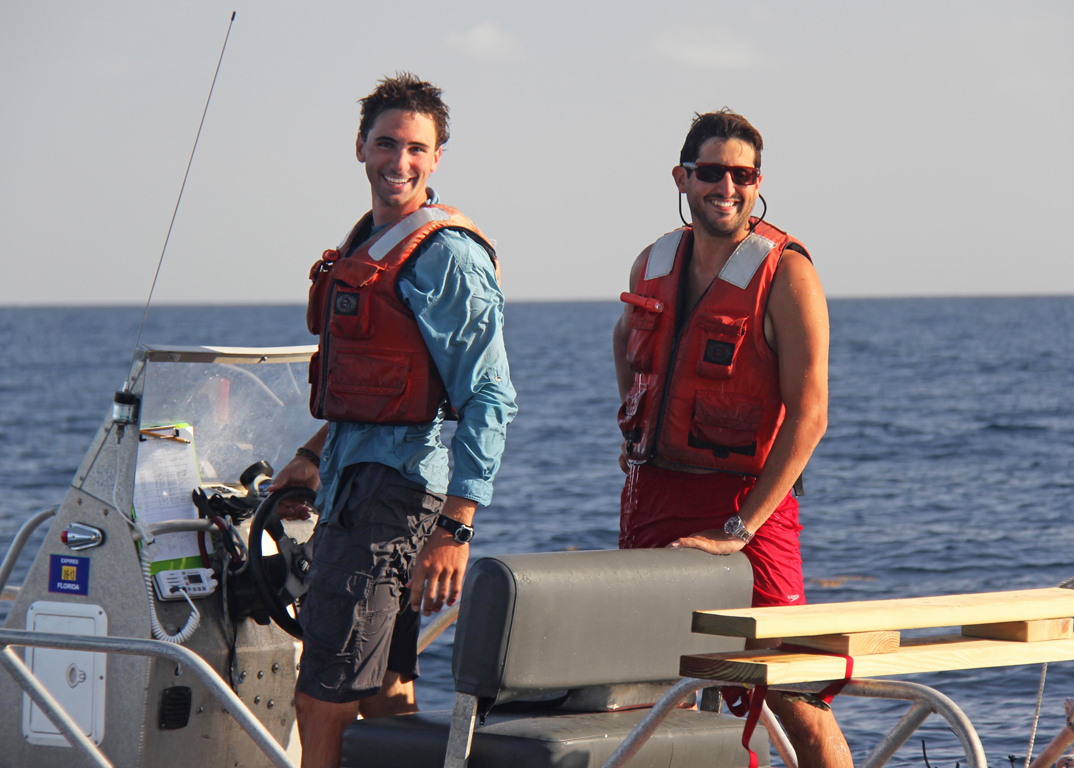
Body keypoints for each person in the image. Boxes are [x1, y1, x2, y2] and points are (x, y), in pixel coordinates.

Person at [268, 73, 517, 768]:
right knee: (385, 688)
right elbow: (374, 393)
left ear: (436, 158)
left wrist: (456, 528)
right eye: (385, 144)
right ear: (360, 147)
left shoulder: (447, 257)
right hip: (355, 484)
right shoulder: (369, 243)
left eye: (415, 148)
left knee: (321, 694)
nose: (398, 162)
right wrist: (311, 458)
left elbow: (490, 396)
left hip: (395, 500)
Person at [612, 109, 852, 768]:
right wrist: (633, 421)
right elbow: (625, 342)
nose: (727, 187)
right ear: (682, 178)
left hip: (746, 506)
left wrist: (740, 528)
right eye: (712, 172)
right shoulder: (652, 262)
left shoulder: (786, 273)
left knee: (793, 691)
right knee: (652, 689)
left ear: (757, 183)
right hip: (652, 497)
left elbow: (811, 416)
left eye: (742, 175)